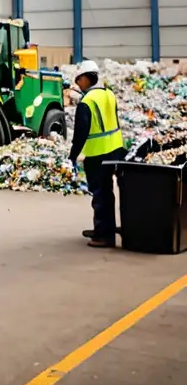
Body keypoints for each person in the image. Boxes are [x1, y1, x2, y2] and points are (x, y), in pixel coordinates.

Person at [69, 60, 126, 248]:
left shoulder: (87, 102)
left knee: (100, 194)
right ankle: (105, 228)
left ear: (87, 78)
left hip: (98, 154)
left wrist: (73, 155)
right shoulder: (109, 94)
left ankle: (104, 236)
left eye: (79, 80)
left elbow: (80, 133)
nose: (78, 84)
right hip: (116, 149)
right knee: (108, 192)